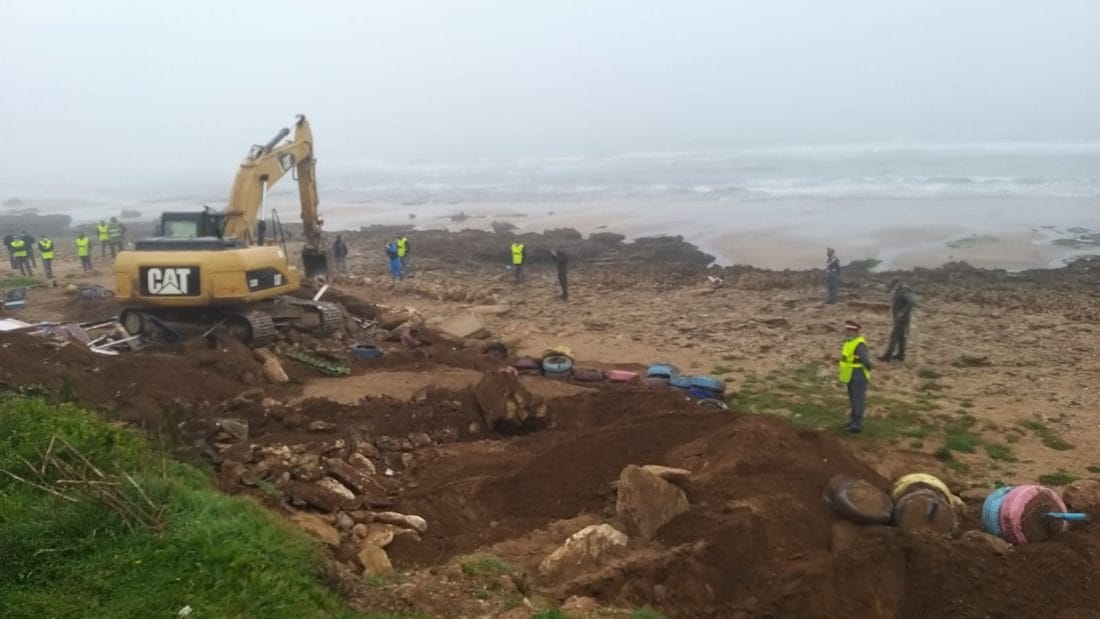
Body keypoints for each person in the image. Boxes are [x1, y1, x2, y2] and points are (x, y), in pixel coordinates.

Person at [838, 320, 873, 433]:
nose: (845, 331)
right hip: (850, 374)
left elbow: (866, 361)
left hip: (858, 374)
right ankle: (853, 420)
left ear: (854, 331)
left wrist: (866, 371)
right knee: (853, 399)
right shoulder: (849, 342)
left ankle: (857, 424)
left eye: (848, 330)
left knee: (858, 400)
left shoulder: (859, 344)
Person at [882, 280, 917, 362]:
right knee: (901, 337)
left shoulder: (904, 291)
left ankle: (888, 356)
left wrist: (902, 312)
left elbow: (911, 302)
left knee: (894, 337)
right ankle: (900, 355)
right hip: (899, 318)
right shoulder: (899, 291)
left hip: (902, 319)